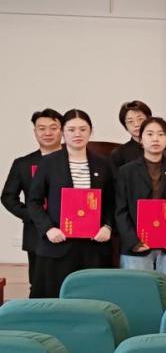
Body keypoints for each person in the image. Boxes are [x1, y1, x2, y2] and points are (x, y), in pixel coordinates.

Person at [27, 109, 114, 298]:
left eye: (83, 129)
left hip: (93, 245)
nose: (77, 134)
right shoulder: (48, 163)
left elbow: (111, 201)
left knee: (92, 299)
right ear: (62, 132)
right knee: (54, 299)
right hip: (58, 243)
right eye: (71, 129)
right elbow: (34, 202)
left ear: (91, 131)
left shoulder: (103, 164)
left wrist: (107, 226)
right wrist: (48, 228)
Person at [115, 117, 166, 276]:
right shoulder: (126, 171)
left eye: (161, 134)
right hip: (137, 246)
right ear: (141, 139)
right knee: (138, 288)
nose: (155, 139)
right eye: (150, 134)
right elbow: (120, 210)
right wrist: (132, 241)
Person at [3, 108, 62, 289]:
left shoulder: (74, 160)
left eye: (53, 128)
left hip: (70, 232)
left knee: (70, 285)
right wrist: (33, 216)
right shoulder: (23, 163)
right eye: (41, 128)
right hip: (37, 234)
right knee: (38, 285)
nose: (47, 133)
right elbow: (8, 197)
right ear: (35, 132)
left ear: (62, 130)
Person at [109, 100, 153, 168]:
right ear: (125, 126)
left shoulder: (162, 148)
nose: (136, 124)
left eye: (140, 119)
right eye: (130, 121)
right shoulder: (118, 154)